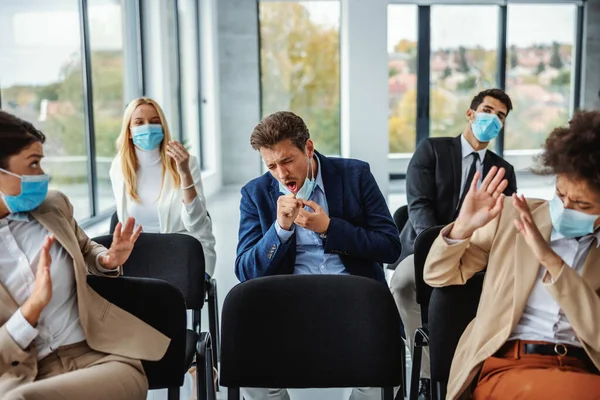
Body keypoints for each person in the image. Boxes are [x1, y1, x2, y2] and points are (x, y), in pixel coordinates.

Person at [424, 110, 600, 400]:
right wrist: (462, 229)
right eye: (560, 194)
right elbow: (437, 275)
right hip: (510, 365)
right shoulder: (512, 215)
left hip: (584, 369)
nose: (566, 207)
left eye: (581, 204)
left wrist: (552, 262)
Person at [0, 110, 169, 399]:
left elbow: (86, 247)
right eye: (33, 164)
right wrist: (32, 308)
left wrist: (106, 260)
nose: (42, 175)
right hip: (24, 376)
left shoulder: (53, 207)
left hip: (102, 356)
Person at [236, 111, 402, 400]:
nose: (281, 173)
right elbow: (246, 270)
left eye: (287, 160)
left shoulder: (355, 175)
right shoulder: (255, 194)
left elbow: (390, 246)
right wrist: (279, 230)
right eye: (271, 165)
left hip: (356, 302)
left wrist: (330, 229)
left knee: (395, 364)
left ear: (309, 148)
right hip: (288, 306)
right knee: (247, 366)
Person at [389, 88, 518, 398]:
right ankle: (425, 374)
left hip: (476, 254)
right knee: (404, 283)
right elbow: (418, 205)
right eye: (488, 110)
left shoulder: (504, 171)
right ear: (470, 114)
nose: (493, 119)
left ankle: (476, 366)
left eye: (500, 116)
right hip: (427, 246)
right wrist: (444, 245)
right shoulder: (431, 150)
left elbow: (503, 221)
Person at [110, 97, 216, 277]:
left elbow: (196, 223)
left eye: (154, 122)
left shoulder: (187, 163)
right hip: (140, 255)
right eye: (139, 122)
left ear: (163, 127)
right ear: (129, 131)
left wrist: (184, 173)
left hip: (182, 252)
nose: (148, 127)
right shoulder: (119, 167)